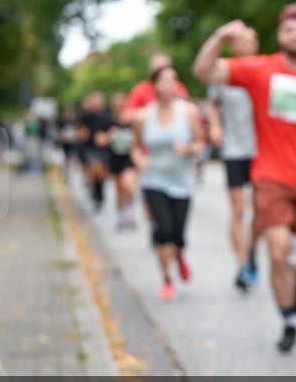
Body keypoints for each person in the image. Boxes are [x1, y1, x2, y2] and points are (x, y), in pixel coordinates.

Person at [193, 3, 296, 353]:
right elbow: (203, 70)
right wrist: (220, 36)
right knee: (278, 251)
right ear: (280, 34)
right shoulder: (259, 69)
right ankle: (289, 321)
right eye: (288, 30)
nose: (295, 35)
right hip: (271, 177)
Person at [130, 66, 205, 301]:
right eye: (164, 80)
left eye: (173, 80)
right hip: (154, 180)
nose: (169, 84)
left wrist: (189, 149)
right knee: (163, 230)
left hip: (182, 181)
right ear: (154, 85)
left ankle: (179, 253)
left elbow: (201, 142)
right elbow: (135, 147)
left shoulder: (189, 112)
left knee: (177, 233)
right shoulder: (143, 116)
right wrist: (140, 160)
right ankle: (167, 280)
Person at [208, 25, 261, 291]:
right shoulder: (224, 71)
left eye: (253, 40)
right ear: (233, 45)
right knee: (239, 208)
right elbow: (214, 105)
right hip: (235, 149)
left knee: (261, 210)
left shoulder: (264, 70)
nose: (248, 44)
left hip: (262, 150)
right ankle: (243, 264)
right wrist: (215, 127)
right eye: (242, 40)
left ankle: (252, 252)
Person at [108, 93, 138, 231]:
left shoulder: (132, 120)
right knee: (119, 189)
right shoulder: (108, 121)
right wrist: (109, 136)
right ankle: (121, 215)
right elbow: (99, 139)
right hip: (115, 158)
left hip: (130, 158)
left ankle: (130, 213)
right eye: (116, 103)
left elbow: (141, 137)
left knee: (129, 185)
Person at [77, 92, 112, 209]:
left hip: (104, 149)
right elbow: (80, 130)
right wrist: (83, 134)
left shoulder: (108, 115)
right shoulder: (87, 116)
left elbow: (113, 129)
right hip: (90, 148)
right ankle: (96, 193)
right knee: (94, 169)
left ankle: (99, 192)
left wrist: (106, 137)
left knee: (101, 174)